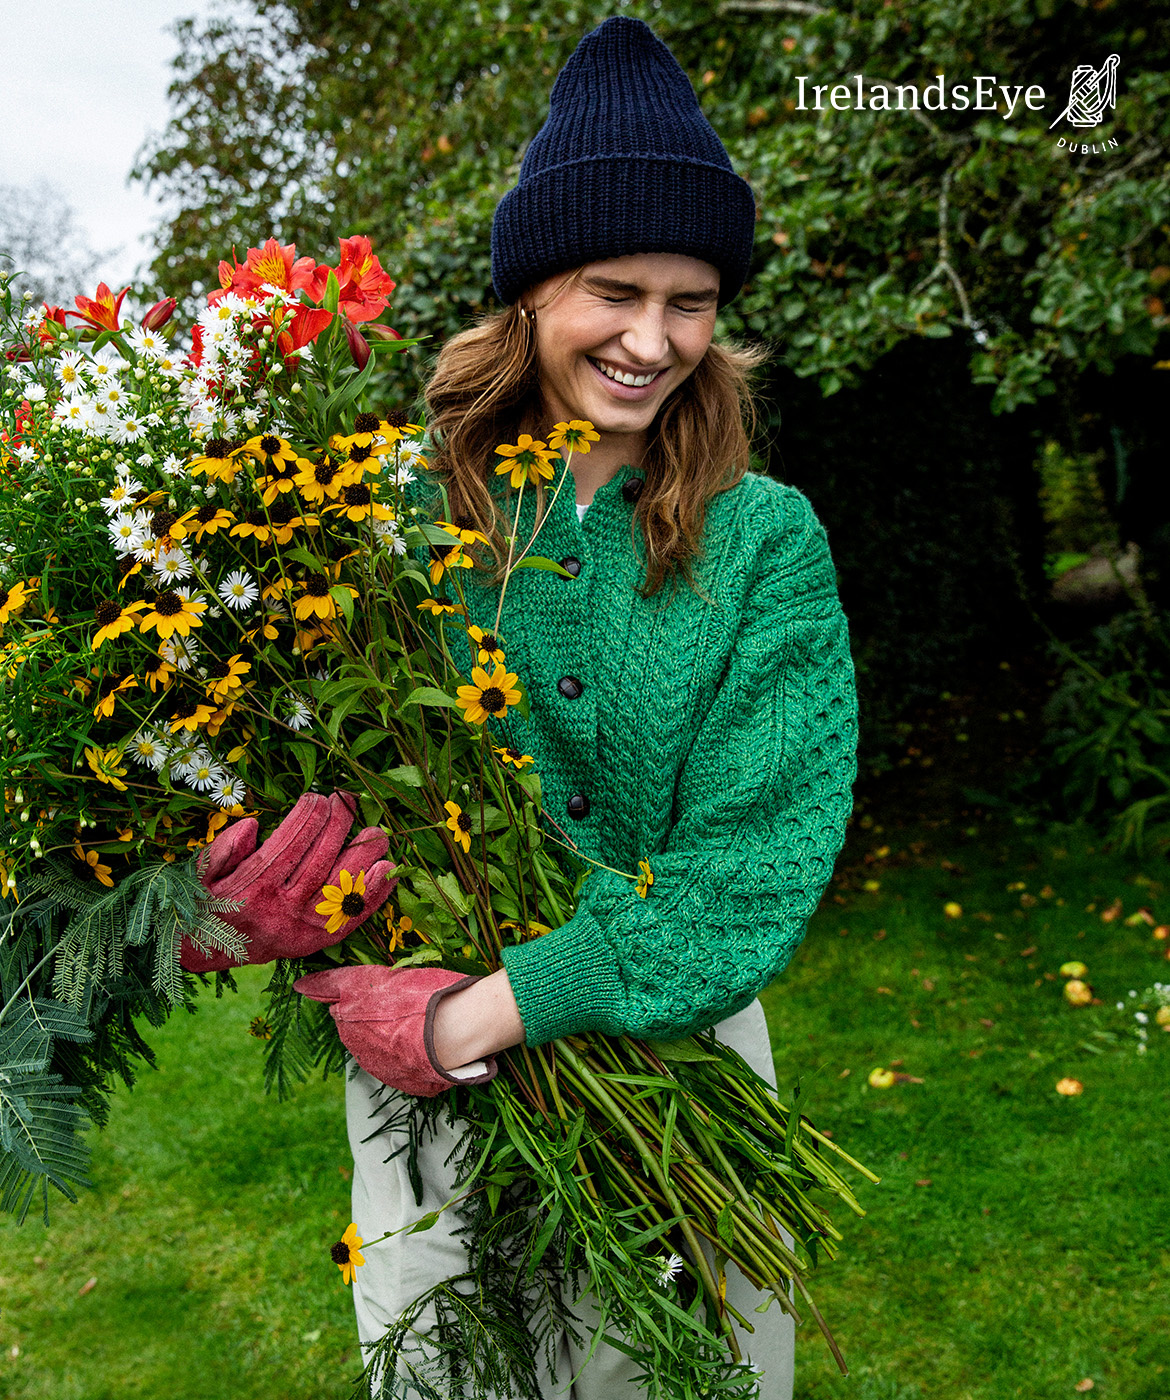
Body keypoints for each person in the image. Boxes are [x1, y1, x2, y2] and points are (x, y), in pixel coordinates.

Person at [184, 15, 859, 1398]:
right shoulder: (385, 517)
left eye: (694, 300)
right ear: (529, 295)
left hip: (664, 1050)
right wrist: (234, 900)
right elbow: (283, 784)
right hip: (412, 1060)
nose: (653, 339)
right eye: (614, 290)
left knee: (681, 1367)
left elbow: (750, 867)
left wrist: (473, 1020)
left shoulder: (761, 539)